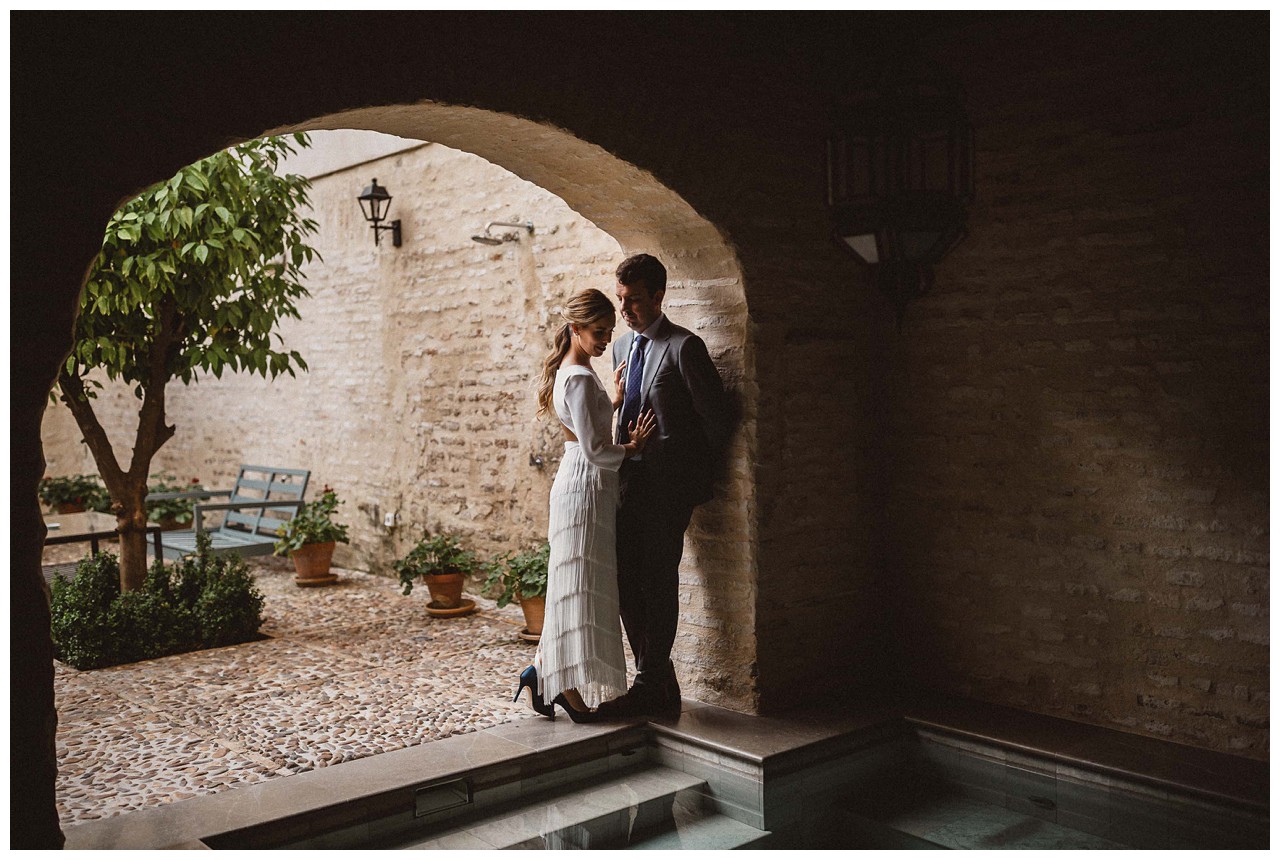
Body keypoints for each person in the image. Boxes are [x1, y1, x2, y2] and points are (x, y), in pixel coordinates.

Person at [596, 253, 733, 719]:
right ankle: (656, 677)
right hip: (626, 484)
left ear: (658, 296)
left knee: (658, 582)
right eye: (620, 300)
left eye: (633, 300)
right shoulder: (619, 349)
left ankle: (650, 682)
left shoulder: (683, 347)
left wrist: (689, 481)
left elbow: (716, 420)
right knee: (623, 579)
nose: (625, 310)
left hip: (667, 492)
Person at [514, 288, 655, 722]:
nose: (605, 339)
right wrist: (632, 447)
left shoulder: (576, 371)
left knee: (574, 586)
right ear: (575, 328)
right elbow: (595, 449)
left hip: (585, 486)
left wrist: (609, 401)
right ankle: (565, 689)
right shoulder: (575, 376)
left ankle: (541, 672)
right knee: (577, 587)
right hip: (584, 487)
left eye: (610, 332)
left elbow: (585, 425)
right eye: (598, 332)